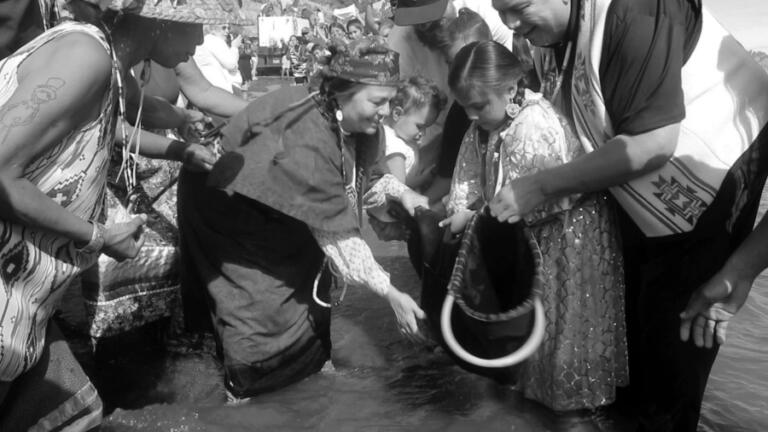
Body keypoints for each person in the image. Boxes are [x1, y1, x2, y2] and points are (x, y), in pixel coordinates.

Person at [490, 0, 768, 430]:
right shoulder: (549, 38)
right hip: (631, 204)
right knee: (625, 364)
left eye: (517, 6)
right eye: (499, 9)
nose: (508, 22)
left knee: (669, 364)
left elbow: (651, 143)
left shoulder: (637, 10)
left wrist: (740, 269)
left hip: (709, 195)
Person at [0, 0, 234, 428]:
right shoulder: (85, 55)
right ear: (158, 22)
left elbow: (112, 129)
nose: (200, 40)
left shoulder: (100, 59)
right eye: (193, 25)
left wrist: (181, 149)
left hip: (26, 302)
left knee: (77, 413)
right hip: (6, 299)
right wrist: (98, 237)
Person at [177, 37, 429, 401]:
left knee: (306, 291)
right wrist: (391, 293)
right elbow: (337, 235)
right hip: (229, 209)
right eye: (378, 101)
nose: (386, 112)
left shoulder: (351, 124)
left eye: (390, 101)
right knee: (258, 307)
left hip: (280, 206)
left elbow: (357, 182)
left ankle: (307, 377)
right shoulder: (309, 138)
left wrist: (402, 194)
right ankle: (244, 401)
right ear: (342, 94)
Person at [439, 40, 627, 412]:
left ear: (510, 89)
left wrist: (479, 216)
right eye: (464, 107)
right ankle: (534, 402)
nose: (471, 115)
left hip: (567, 233)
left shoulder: (533, 124)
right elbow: (471, 173)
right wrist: (461, 209)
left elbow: (540, 198)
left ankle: (572, 409)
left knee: (564, 328)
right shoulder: (486, 119)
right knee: (539, 327)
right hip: (529, 232)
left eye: (478, 106)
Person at [365, 75, 446, 228]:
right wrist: (424, 178)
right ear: (397, 114)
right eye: (420, 126)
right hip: (391, 215)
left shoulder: (401, 139)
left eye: (427, 127)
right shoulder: (395, 148)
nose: (423, 133)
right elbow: (399, 186)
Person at [194, 24, 242, 93]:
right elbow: (231, 64)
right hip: (223, 88)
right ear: (213, 29)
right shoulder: (215, 41)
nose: (227, 31)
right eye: (223, 28)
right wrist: (234, 47)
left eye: (228, 28)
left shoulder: (204, 41)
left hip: (209, 86)